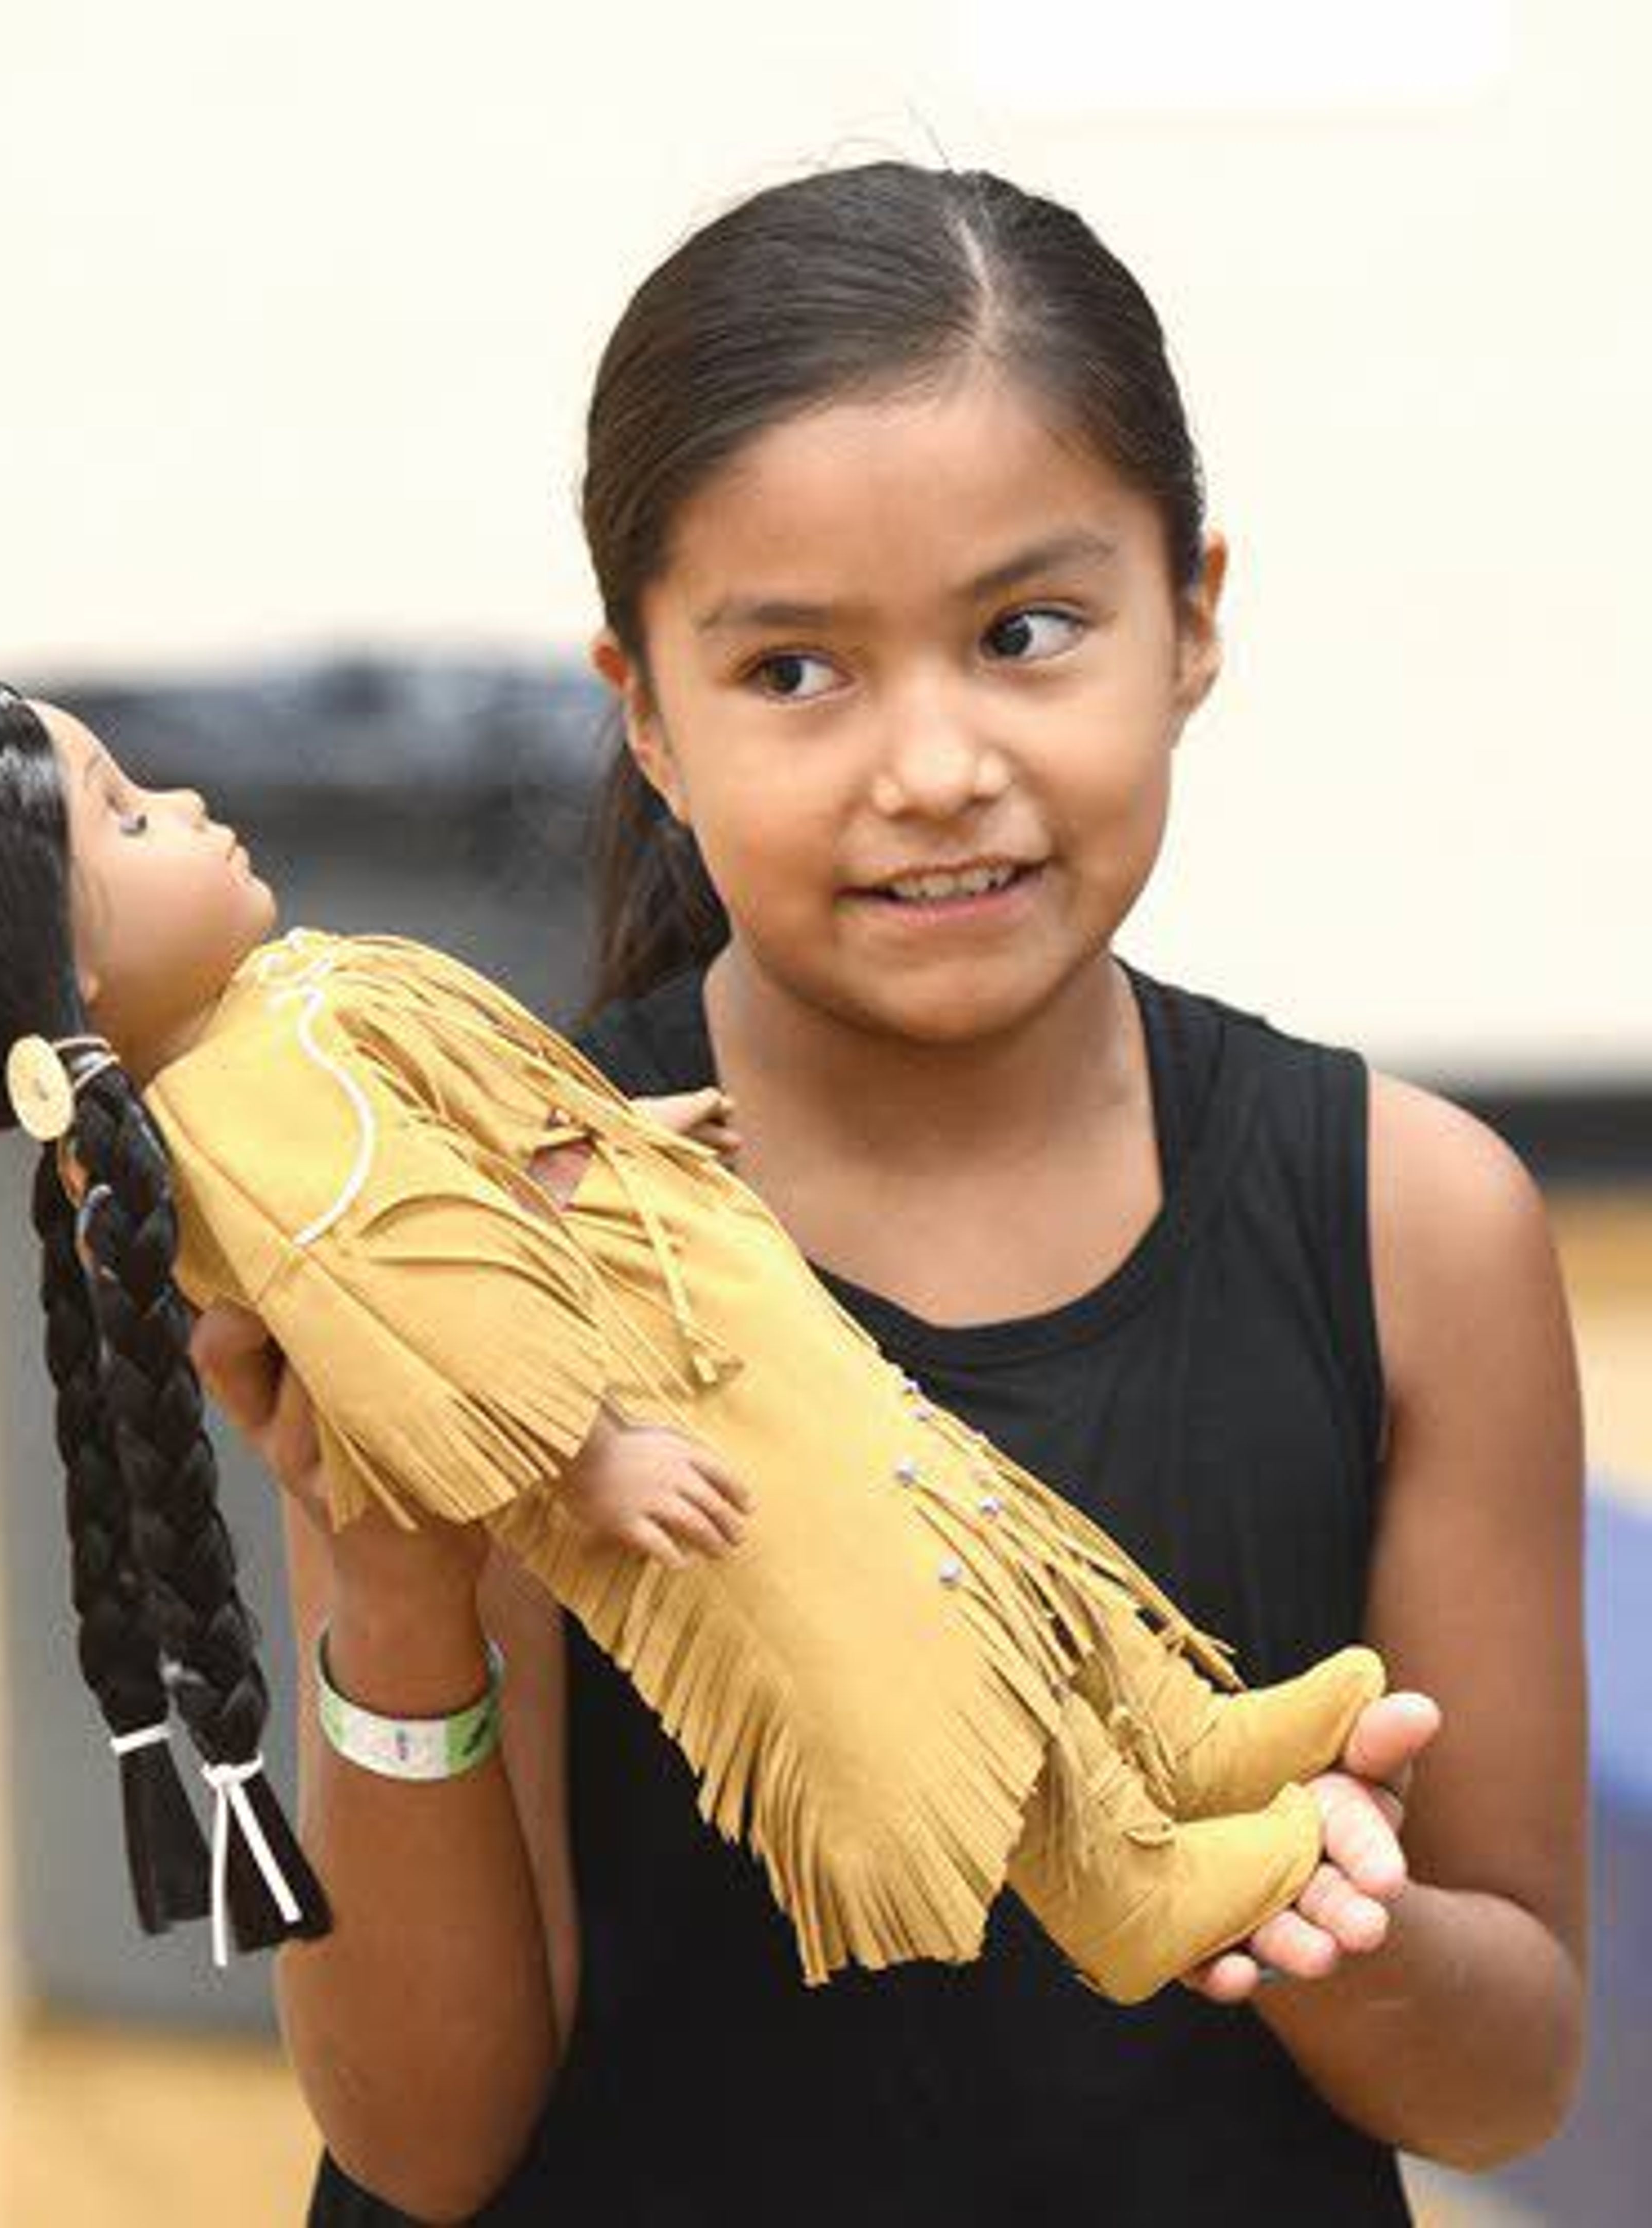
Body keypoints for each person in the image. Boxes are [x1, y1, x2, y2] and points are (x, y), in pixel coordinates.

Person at [187, 160, 1588, 2224]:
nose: (932, 761)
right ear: (646, 715)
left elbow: (1516, 2072)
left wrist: (1315, 1907)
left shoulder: (1415, 1223)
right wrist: (398, 1598)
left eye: (1026, 631)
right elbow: (425, 2136)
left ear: (1192, 617)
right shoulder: (507, 1219)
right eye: (796, 673)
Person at [0, 674, 1383, 2004]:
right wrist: (590, 1454)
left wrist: (621, 1139)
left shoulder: (278, 1022)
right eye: (127, 819)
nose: (187, 808)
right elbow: (419, 1306)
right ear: (77, 972)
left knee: (952, 1512)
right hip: (665, 1405)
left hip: (696, 1325)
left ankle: (1173, 1731)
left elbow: (474, 1159)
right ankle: (1119, 1875)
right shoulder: (251, 1121)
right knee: (890, 1622)